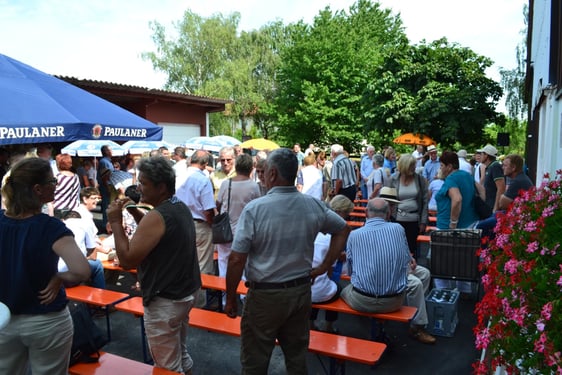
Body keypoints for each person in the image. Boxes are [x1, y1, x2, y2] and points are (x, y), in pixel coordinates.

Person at [224, 148, 350, 374]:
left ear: (272, 174)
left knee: (255, 361)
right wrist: (324, 266)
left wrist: (231, 297)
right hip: (300, 292)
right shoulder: (313, 204)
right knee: (297, 358)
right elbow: (343, 229)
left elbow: (236, 259)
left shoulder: (255, 209)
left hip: (264, 296)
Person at [107, 156, 201, 374]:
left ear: (161, 187)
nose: (138, 187)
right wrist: (133, 210)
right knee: (179, 351)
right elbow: (157, 232)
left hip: (166, 299)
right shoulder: (178, 207)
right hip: (184, 293)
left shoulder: (158, 215)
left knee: (167, 366)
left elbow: (127, 260)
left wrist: (114, 221)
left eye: (143, 183)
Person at [0, 157, 90, 374]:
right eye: (52, 182)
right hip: (47, 321)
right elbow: (82, 271)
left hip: (4, 319)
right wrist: (60, 277)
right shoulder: (51, 227)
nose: (56, 186)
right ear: (37, 189)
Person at [340, 198, 436, 344]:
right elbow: (407, 260)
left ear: (366, 212)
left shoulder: (354, 235)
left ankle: (367, 326)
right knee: (416, 279)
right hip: (393, 302)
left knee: (342, 290)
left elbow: (351, 271)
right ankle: (415, 325)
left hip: (362, 301)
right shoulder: (398, 229)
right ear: (388, 213)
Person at [215, 154, 260, 304]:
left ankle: (225, 297)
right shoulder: (254, 186)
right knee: (244, 264)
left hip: (225, 231)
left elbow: (218, 205)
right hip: (245, 231)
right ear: (251, 168)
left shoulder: (226, 184)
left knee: (223, 264)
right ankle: (243, 295)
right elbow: (257, 210)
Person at [310, 195, 354, 333]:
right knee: (336, 287)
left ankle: (311, 324)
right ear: (341, 213)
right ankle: (328, 326)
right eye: (347, 214)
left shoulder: (313, 230)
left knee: (318, 289)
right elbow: (329, 269)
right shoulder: (334, 237)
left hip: (304, 286)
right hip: (318, 288)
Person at [176, 150, 216, 277]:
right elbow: (208, 210)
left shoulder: (178, 177)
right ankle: (199, 296)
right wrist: (212, 225)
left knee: (184, 264)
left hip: (180, 224)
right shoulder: (203, 180)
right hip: (199, 225)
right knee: (202, 268)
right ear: (205, 163)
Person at [390, 154, 429, 258]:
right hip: (396, 219)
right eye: (411, 165)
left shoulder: (420, 180)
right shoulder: (393, 179)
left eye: (414, 165)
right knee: (396, 249)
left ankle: (411, 272)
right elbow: (387, 200)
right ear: (404, 166)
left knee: (411, 250)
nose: (414, 167)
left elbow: (425, 202)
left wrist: (423, 222)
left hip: (414, 220)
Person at [435, 151, 478, 230]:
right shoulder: (467, 175)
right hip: (470, 223)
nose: (440, 168)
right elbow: (482, 191)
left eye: (441, 165)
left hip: (448, 228)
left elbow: (457, 199)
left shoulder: (451, 179)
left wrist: (453, 223)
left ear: (449, 167)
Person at [477, 144, 505, 212]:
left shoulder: (495, 166)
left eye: (482, 154)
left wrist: (496, 208)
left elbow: (501, 187)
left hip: (493, 207)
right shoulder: (489, 167)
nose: (480, 156)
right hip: (489, 205)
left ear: (486, 155)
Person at [53, 153, 81, 217]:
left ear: (58, 164)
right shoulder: (76, 177)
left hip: (59, 209)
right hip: (73, 209)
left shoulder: (56, 177)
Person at [97, 145, 114, 229]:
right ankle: (105, 225)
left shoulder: (108, 161)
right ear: (106, 151)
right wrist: (107, 188)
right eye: (111, 150)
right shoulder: (104, 162)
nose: (112, 151)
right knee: (107, 206)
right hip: (106, 186)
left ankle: (108, 224)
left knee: (109, 205)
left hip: (109, 186)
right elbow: (104, 176)